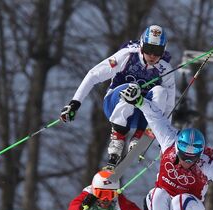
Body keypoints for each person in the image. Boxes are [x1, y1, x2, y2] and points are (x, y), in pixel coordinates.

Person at [60, 25, 176, 169]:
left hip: (139, 115)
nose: (152, 55)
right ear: (141, 46)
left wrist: (165, 140)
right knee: (132, 89)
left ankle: (141, 134)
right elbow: (94, 75)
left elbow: (169, 105)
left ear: (163, 50)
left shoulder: (165, 69)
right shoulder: (127, 56)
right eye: (148, 49)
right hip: (114, 105)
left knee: (160, 92)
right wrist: (75, 103)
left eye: (157, 51)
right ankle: (118, 138)